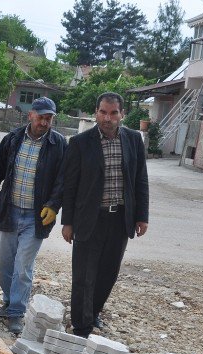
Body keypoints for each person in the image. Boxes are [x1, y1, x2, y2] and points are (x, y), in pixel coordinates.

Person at [0, 97, 67, 335]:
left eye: (49, 118)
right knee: (4, 264)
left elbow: (63, 180)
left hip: (36, 217)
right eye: (41, 116)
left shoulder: (60, 144)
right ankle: (9, 302)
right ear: (30, 115)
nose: (44, 122)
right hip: (9, 211)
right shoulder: (12, 139)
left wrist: (54, 205)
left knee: (23, 266)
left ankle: (16, 312)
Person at [60, 91, 149, 338]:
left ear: (122, 114)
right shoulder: (80, 143)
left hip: (120, 218)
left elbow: (140, 180)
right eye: (102, 112)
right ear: (95, 113)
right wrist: (67, 222)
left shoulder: (133, 140)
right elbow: (70, 185)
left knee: (108, 273)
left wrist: (142, 216)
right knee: (83, 275)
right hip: (89, 218)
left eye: (113, 113)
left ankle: (93, 312)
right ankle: (81, 327)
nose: (107, 118)